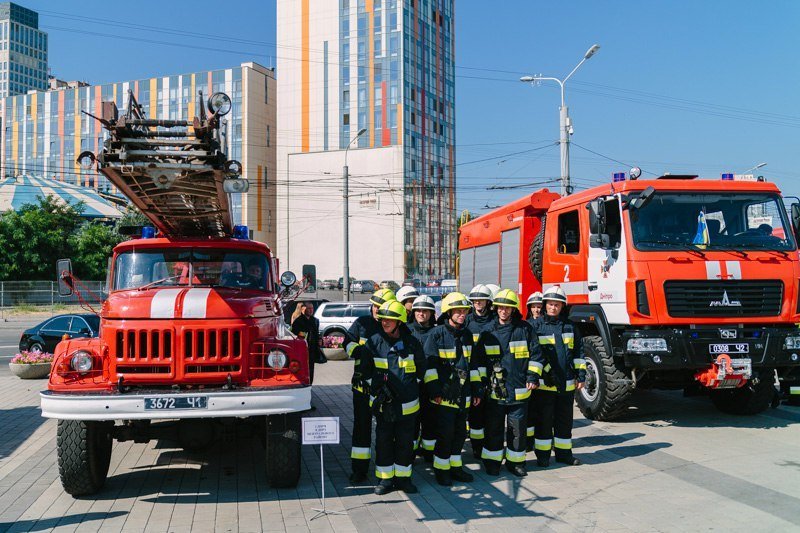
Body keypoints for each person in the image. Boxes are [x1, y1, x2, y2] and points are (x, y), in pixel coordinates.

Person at [360, 300, 426, 495]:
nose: (384, 322)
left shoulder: (412, 343)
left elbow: (422, 371)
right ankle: (385, 479)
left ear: (399, 321)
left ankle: (404, 479)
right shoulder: (373, 342)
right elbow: (364, 371)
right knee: (384, 441)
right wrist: (378, 389)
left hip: (408, 405)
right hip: (384, 405)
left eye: (389, 319)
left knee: (406, 443)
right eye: (382, 319)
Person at [479, 289, 543, 477]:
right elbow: (479, 361)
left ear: (514, 309)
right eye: (500, 308)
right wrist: (481, 384)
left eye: (507, 308)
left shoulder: (525, 329)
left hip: (519, 390)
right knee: (493, 429)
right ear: (496, 308)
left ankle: (516, 463)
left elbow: (536, 354)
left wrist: (532, 377)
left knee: (517, 431)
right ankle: (492, 463)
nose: (503, 311)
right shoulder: (487, 332)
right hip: (495, 391)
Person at [423, 292, 483, 486]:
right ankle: (441, 470)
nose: (462, 314)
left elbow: (472, 365)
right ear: (448, 312)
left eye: (464, 311)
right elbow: (429, 366)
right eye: (458, 311)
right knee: (445, 434)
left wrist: (477, 390)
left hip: (464, 394)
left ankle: (455, 467)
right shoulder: (436, 334)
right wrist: (435, 391)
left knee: (459, 434)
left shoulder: (466, 335)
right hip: (444, 395)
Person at [345, 288, 397, 484]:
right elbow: (347, 342)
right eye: (374, 305)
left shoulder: (393, 325)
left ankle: (385, 467)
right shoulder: (361, 323)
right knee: (361, 427)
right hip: (362, 385)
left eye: (380, 306)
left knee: (385, 428)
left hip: (385, 387)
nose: (376, 309)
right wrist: (358, 351)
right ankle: (359, 469)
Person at [531, 286, 585, 467]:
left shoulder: (570, 327)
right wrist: (544, 373)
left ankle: (564, 455)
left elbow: (579, 352)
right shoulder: (535, 326)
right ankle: (543, 456)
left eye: (557, 305)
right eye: (550, 304)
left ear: (563, 307)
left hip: (567, 384)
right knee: (544, 421)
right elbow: (534, 354)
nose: (553, 308)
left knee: (564, 422)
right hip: (545, 385)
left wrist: (581, 375)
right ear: (545, 305)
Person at [464, 284, 494, 458]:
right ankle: (476, 447)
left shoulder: (494, 321)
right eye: (475, 300)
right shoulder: (467, 322)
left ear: (488, 302)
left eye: (481, 300)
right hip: (472, 375)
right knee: (474, 414)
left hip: (491, 376)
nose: (478, 303)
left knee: (489, 414)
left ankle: (488, 445)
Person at [409, 295, 438, 461]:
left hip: (431, 387)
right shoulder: (406, 331)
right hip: (411, 387)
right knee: (412, 424)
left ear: (431, 313)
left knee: (430, 422)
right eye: (418, 310)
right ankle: (411, 454)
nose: (421, 314)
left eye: (425, 311)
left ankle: (429, 453)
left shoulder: (437, 332)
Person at [524, 291, 544, 450]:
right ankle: (528, 442)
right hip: (530, 374)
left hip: (545, 375)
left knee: (542, 412)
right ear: (529, 308)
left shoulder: (547, 324)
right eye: (534, 307)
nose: (537, 310)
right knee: (529, 411)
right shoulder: (525, 326)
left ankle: (542, 440)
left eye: (539, 307)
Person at [291, 302, 323, 385]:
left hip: (312, 349)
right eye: (309, 308)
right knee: (302, 368)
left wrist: (320, 340)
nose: (311, 310)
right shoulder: (298, 321)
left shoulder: (315, 321)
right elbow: (294, 332)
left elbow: (317, 333)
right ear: (303, 309)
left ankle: (310, 384)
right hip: (302, 349)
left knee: (311, 369)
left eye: (312, 308)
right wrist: (304, 335)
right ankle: (302, 383)